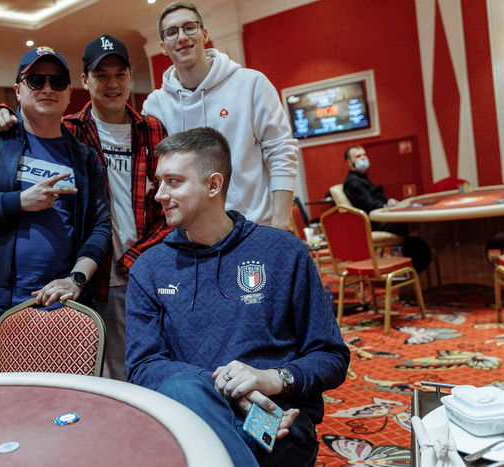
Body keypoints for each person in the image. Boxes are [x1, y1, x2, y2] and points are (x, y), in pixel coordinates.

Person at [125, 127, 350, 466]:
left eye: (173, 182)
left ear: (213, 185)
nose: (159, 194)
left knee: (207, 443)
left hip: (270, 414)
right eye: (159, 182)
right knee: (183, 392)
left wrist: (272, 379)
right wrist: (223, 386)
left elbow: (330, 355)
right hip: (192, 412)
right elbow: (143, 367)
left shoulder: (283, 252)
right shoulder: (149, 268)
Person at [0, 36, 170, 381]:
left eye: (120, 74)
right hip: (90, 278)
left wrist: (138, 258)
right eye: (101, 75)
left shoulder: (151, 129)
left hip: (139, 269)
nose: (112, 84)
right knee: (91, 373)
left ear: (131, 78)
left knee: (144, 364)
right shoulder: (71, 130)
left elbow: (166, 203)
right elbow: (25, 116)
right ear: (85, 81)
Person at [0, 46, 111, 374]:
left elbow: (99, 227)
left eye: (57, 82)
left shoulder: (84, 157)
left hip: (59, 305)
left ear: (69, 93)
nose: (47, 88)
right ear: (18, 89)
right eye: (36, 80)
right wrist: (18, 201)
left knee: (57, 401)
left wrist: (76, 279)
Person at [141, 1, 298, 230]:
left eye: (189, 27)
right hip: (192, 235)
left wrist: (281, 219)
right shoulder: (155, 105)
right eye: (172, 32)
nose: (182, 37)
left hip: (253, 226)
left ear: (204, 34)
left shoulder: (251, 83)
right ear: (163, 46)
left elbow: (281, 150)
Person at [343, 145, 408, 236]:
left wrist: (388, 201)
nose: (363, 158)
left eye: (364, 155)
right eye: (358, 156)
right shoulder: (353, 182)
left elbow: (376, 198)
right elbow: (370, 206)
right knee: (406, 222)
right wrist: (387, 206)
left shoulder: (362, 178)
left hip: (379, 219)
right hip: (374, 223)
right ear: (349, 162)